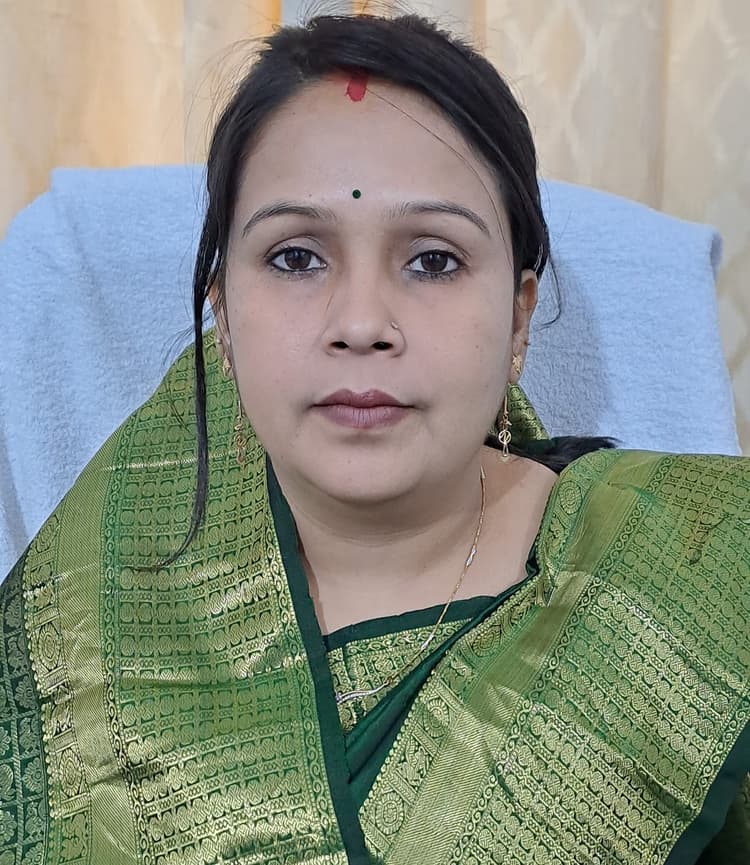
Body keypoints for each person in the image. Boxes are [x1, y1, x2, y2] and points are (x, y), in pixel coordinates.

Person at [1, 9, 747, 865]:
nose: (360, 323)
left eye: (433, 259)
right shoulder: (97, 593)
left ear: (518, 318)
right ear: (224, 317)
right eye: (296, 257)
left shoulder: (696, 573)